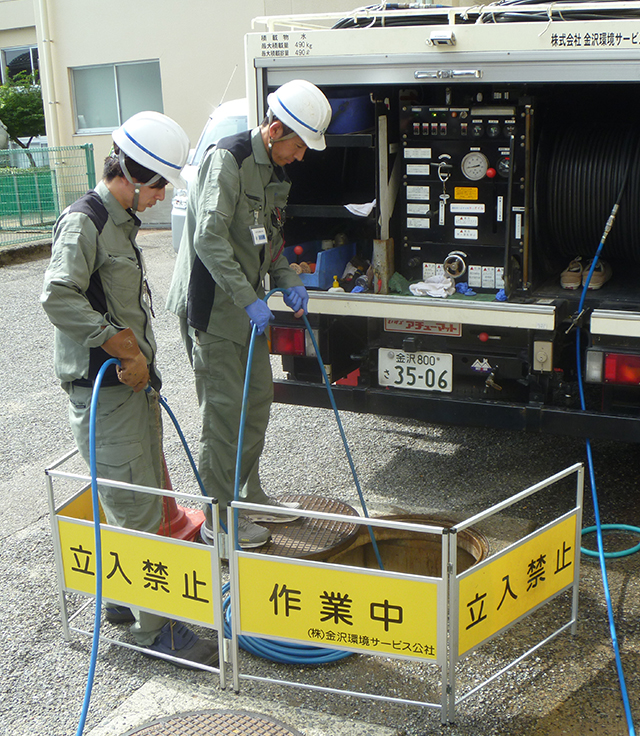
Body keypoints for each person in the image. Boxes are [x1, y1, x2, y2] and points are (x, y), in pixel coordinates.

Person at [41, 111, 218, 669]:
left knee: (133, 498)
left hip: (131, 388)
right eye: (160, 185)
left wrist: (136, 357)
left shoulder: (119, 222)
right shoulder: (86, 222)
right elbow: (57, 296)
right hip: (106, 391)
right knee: (135, 509)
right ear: (135, 176)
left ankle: (122, 601)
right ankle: (157, 631)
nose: (162, 197)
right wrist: (118, 343)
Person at [166, 80, 332, 549]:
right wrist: (249, 299)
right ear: (275, 129)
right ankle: (219, 519)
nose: (301, 157)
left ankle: (248, 493)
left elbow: (269, 243)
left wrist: (288, 280)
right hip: (215, 310)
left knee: (256, 402)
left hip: (246, 310)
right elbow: (209, 240)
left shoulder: (276, 176)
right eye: (298, 146)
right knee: (222, 415)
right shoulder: (229, 159)